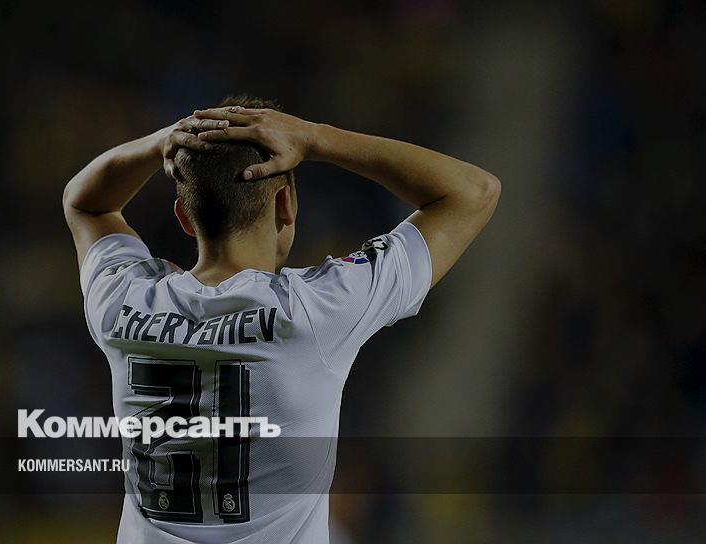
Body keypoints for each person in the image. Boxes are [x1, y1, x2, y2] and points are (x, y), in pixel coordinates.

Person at [63, 95, 500, 543]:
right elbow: (473, 191)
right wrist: (315, 137)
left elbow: (86, 204)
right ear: (286, 203)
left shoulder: (126, 302)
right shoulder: (317, 308)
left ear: (184, 217)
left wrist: (163, 142)